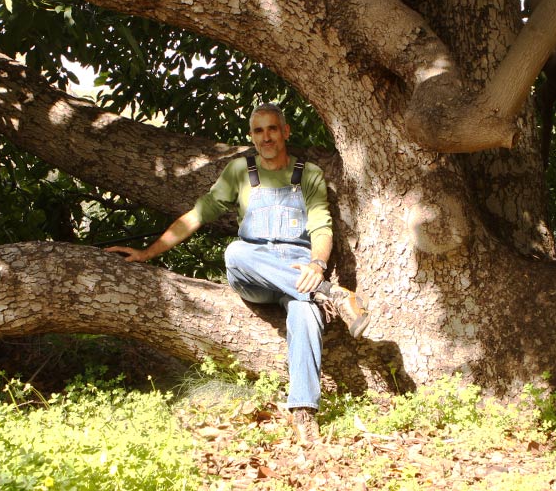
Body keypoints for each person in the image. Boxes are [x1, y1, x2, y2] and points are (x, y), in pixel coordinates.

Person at [106, 103, 369, 444]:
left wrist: (317, 265)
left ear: (285, 132)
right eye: (258, 131)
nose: (266, 137)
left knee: (305, 312)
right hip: (254, 268)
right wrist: (147, 252)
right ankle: (330, 293)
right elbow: (197, 216)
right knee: (235, 251)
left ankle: (304, 413)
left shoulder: (309, 174)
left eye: (272, 129)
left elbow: (321, 228)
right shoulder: (239, 171)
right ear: (251, 136)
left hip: (298, 270)